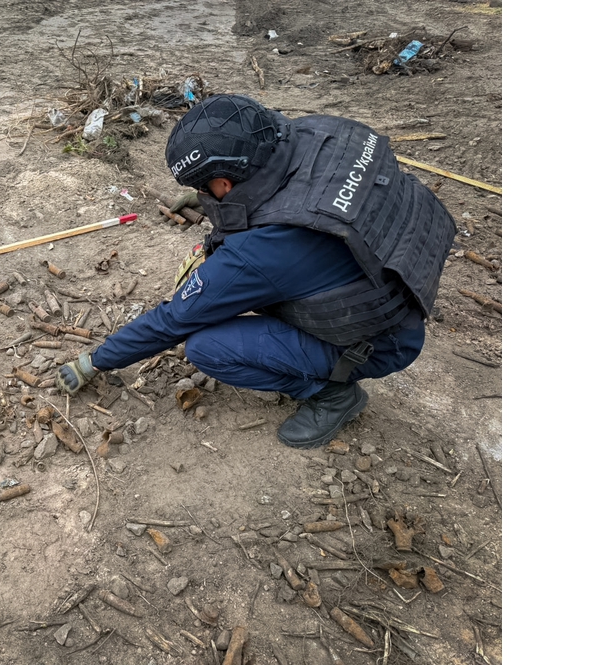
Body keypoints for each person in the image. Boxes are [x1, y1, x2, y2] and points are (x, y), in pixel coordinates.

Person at [55, 94, 456, 449]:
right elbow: (287, 193)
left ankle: (332, 395)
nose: (203, 196)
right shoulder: (322, 131)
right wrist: (208, 203)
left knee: (206, 348)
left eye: (206, 188)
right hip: (395, 286)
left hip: (379, 342)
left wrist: (93, 362)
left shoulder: (261, 253)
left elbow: (173, 320)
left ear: (225, 183)